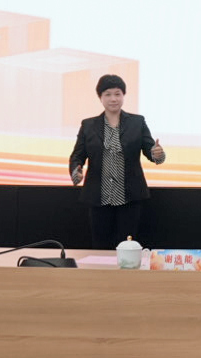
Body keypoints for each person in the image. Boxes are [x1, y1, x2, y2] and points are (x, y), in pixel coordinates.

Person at [69, 74, 166, 249]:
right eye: (107, 94)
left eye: (117, 94)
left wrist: (157, 154)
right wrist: (76, 171)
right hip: (98, 196)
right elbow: (77, 156)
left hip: (129, 196)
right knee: (101, 247)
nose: (113, 99)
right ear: (100, 97)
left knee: (127, 247)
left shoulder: (137, 122)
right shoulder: (88, 125)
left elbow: (151, 151)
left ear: (123, 95)